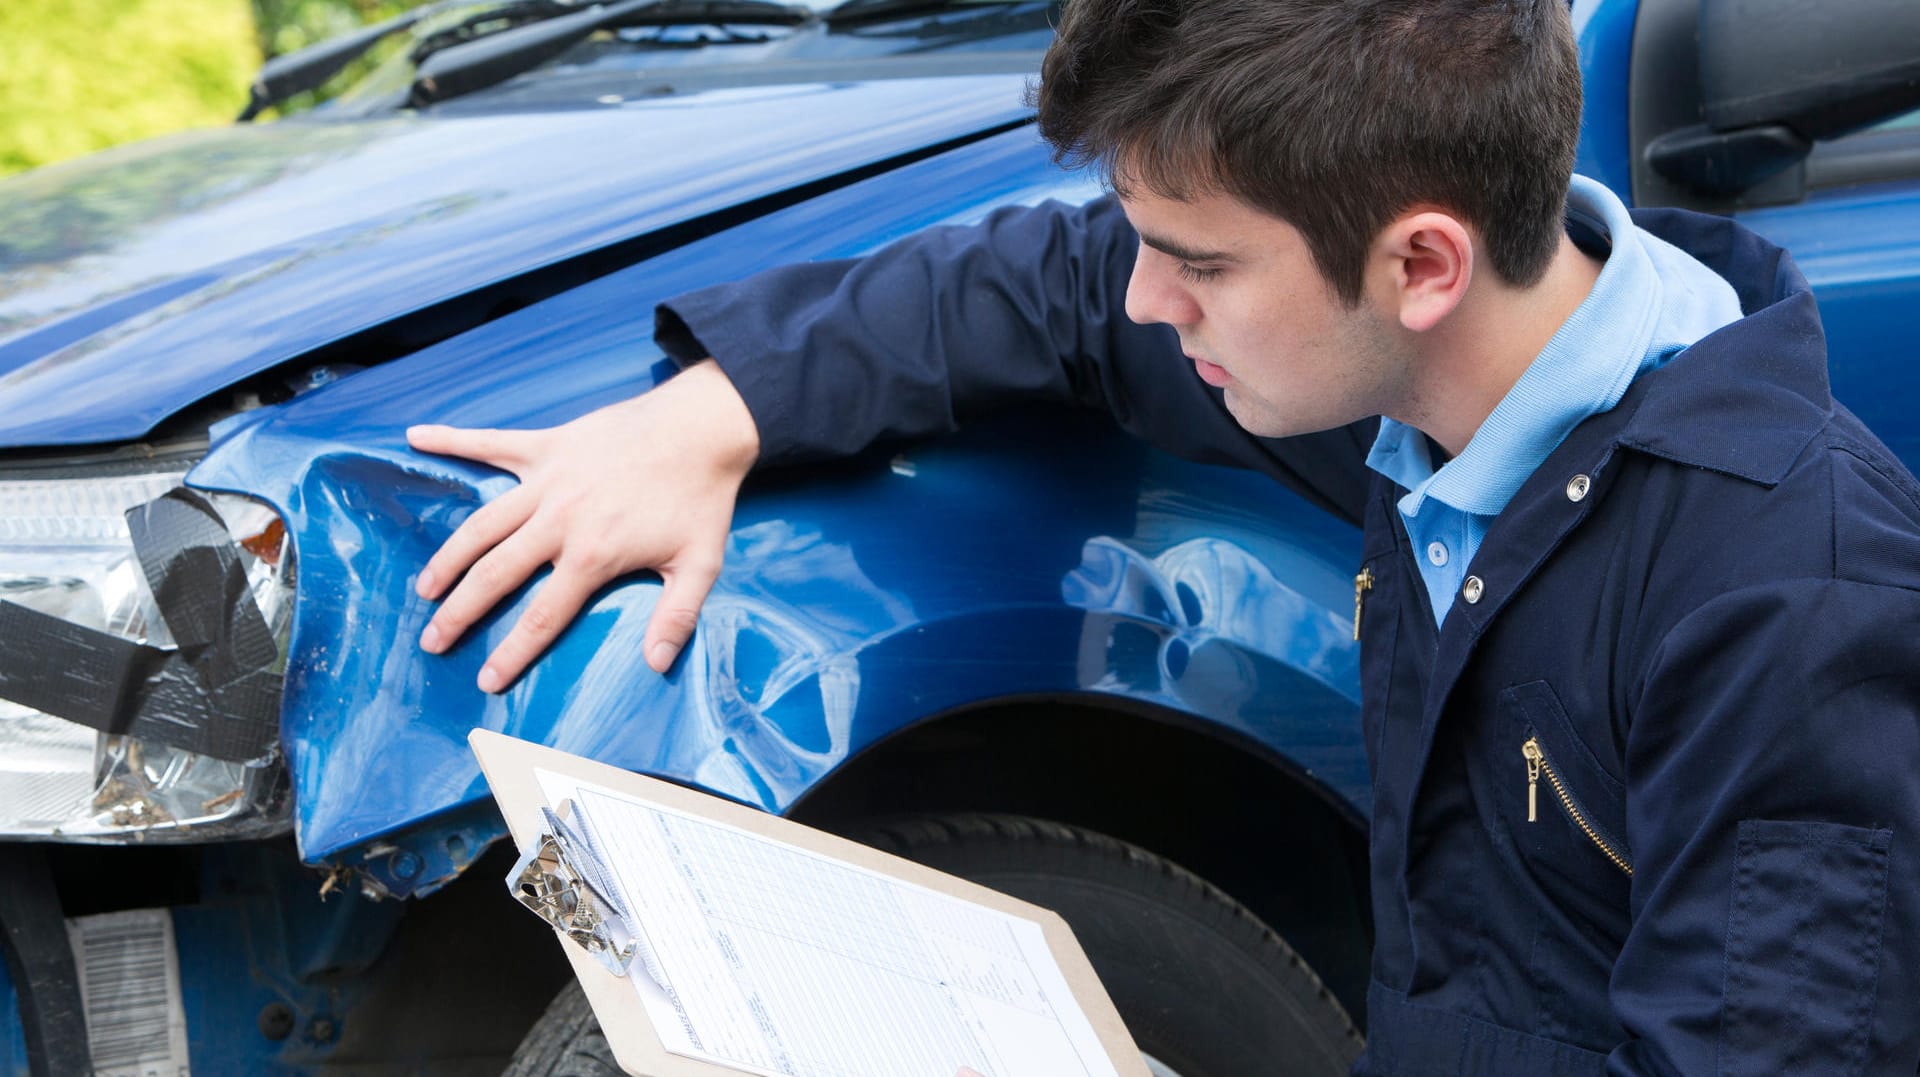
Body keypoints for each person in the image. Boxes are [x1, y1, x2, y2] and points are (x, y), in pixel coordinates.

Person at [407, 0, 1920, 1071]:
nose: (1147, 301)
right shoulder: (1417, 373)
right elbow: (1055, 290)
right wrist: (715, 410)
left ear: (1423, 264)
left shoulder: (1782, 586)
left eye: (1195, 262)